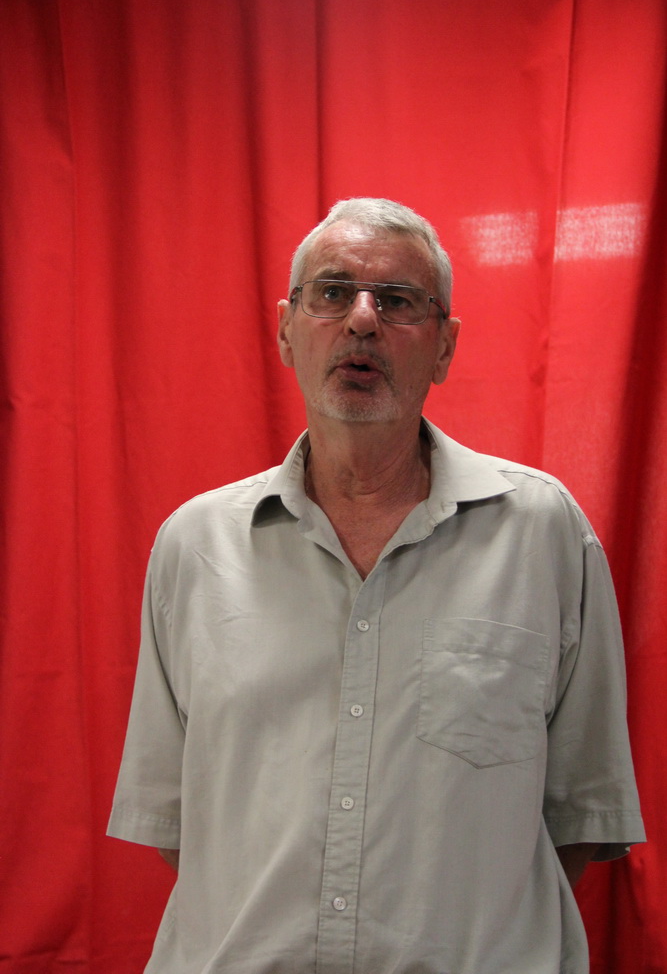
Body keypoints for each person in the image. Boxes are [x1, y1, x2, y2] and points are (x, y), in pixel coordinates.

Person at [108, 197, 645, 974]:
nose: (361, 321)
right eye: (332, 293)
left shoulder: (542, 534)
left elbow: (577, 814)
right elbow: (181, 823)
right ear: (286, 330)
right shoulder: (195, 545)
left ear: (444, 346)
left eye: (397, 301)